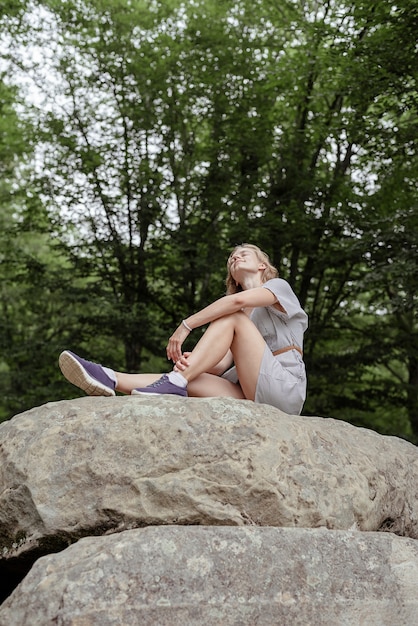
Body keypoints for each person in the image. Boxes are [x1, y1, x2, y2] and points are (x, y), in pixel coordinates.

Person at [59, 244, 308, 415]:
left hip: (283, 388)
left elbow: (237, 301)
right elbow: (221, 367)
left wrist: (186, 325)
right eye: (232, 257)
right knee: (193, 377)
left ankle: (175, 381)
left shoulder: (278, 287)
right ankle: (109, 377)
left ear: (262, 265)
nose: (235, 257)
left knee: (229, 317)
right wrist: (197, 361)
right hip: (250, 391)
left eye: (243, 254)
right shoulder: (239, 316)